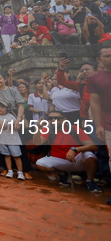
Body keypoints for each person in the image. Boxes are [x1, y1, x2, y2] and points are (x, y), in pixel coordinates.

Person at [33, 111, 101, 193]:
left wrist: (75, 149)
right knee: (40, 163)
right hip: (60, 161)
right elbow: (37, 142)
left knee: (89, 155)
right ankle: (62, 174)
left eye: (57, 118)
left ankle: (90, 181)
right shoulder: (47, 129)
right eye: (50, 118)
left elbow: (93, 146)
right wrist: (38, 128)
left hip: (76, 159)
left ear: (64, 119)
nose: (53, 120)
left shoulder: (74, 129)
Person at [89, 46, 111, 204]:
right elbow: (95, 102)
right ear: (99, 60)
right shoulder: (95, 78)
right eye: (107, 56)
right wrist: (98, 125)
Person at [0, 101, 25, 180]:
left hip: (13, 140)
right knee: (7, 155)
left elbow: (17, 126)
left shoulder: (10, 116)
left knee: (16, 156)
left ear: (7, 109)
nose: (0, 108)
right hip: (2, 140)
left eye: (2, 107)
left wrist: (13, 126)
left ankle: (20, 172)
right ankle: (10, 171)